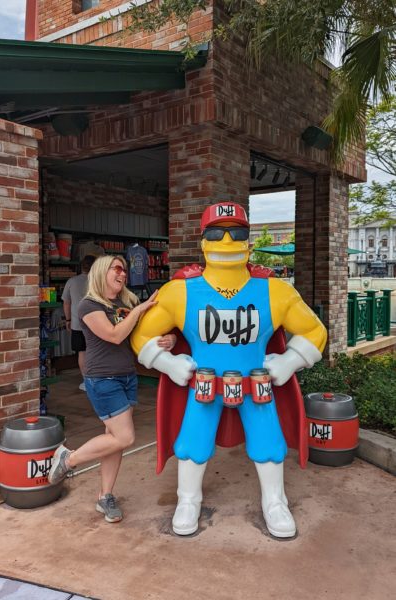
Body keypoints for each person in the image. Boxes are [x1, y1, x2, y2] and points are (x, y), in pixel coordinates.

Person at [131, 202, 327, 538]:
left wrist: (289, 361)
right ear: (203, 242)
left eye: (236, 232)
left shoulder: (275, 289)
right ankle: (188, 499)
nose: (225, 241)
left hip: (256, 385)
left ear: (248, 241)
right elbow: (141, 334)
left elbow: (315, 331)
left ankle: (275, 501)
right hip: (204, 385)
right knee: (193, 442)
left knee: (268, 442)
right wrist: (167, 362)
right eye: (215, 232)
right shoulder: (180, 291)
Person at [48, 254, 175, 523]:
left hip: (127, 376)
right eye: (117, 268)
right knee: (125, 437)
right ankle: (69, 458)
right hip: (103, 379)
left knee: (113, 439)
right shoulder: (88, 305)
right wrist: (139, 310)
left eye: (125, 270)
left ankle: (105, 496)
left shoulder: (126, 302)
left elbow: (146, 333)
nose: (123, 273)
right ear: (101, 272)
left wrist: (168, 339)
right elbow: (115, 335)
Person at [62, 254, 96, 391]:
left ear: (81, 266)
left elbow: (66, 302)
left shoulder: (72, 281)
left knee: (82, 352)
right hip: (96, 323)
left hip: (77, 323)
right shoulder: (98, 281)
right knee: (96, 351)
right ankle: (97, 380)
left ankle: (86, 382)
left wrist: (68, 319)